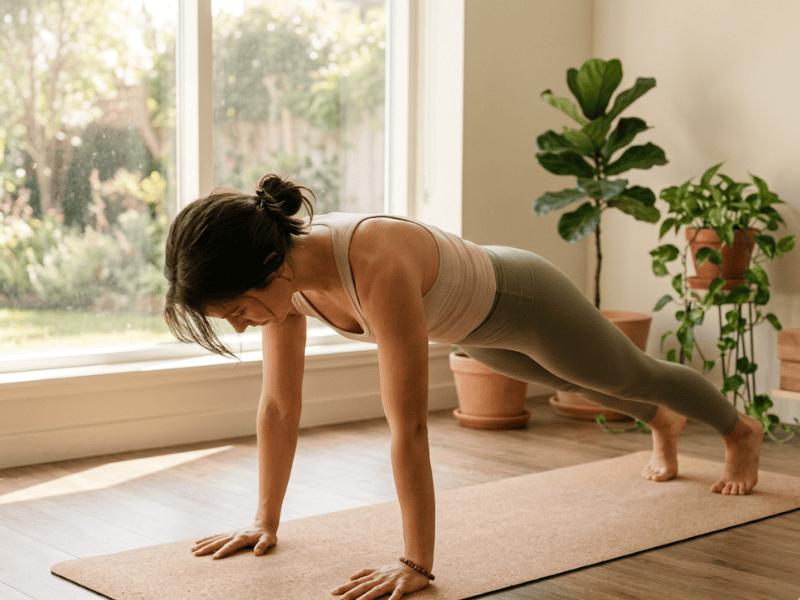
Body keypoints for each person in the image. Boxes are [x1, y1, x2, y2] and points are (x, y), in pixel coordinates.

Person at [164, 173, 764, 600]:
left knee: (634, 375)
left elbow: (411, 427)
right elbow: (278, 406)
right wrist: (264, 521)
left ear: (269, 269)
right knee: (587, 385)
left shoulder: (374, 261)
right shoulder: (286, 285)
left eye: (238, 310)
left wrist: (415, 563)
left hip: (524, 298)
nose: (242, 324)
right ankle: (662, 422)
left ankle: (740, 430)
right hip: (472, 329)